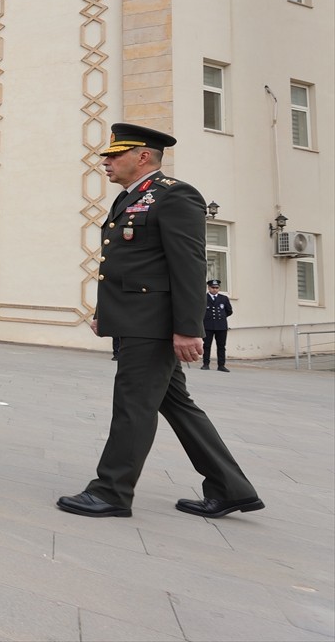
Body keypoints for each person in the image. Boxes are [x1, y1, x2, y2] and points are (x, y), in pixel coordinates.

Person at [58, 123, 263, 519]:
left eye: (114, 155)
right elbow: (127, 265)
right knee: (178, 405)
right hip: (136, 319)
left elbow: (188, 265)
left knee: (133, 404)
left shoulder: (174, 195)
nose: (105, 161)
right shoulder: (131, 198)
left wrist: (189, 328)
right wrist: (107, 313)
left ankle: (112, 491)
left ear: (143, 156)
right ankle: (231, 487)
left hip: (153, 325)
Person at [202, 279, 234, 372]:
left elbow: (229, 311)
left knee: (221, 346)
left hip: (221, 326)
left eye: (217, 288)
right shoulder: (204, 298)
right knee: (206, 345)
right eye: (213, 287)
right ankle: (206, 364)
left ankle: (221, 365)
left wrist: (222, 318)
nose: (215, 289)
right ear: (208, 288)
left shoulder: (223, 298)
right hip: (208, 325)